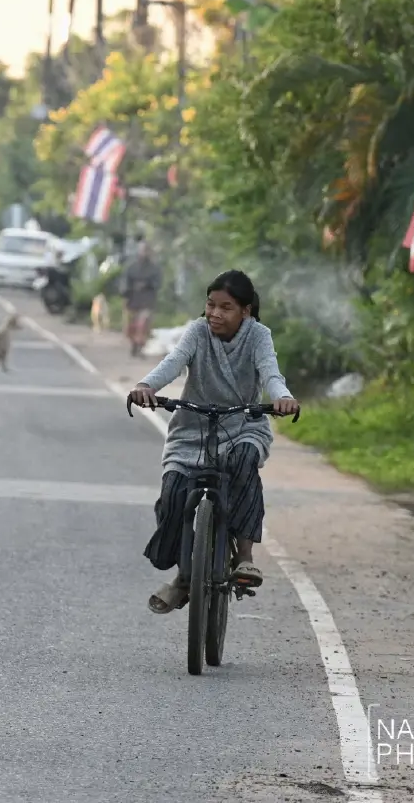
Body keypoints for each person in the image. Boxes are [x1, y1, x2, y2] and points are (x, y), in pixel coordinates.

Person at [128, 270, 300, 615]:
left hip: (242, 425)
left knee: (243, 464)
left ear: (245, 311)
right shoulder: (197, 332)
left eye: (226, 307)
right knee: (174, 493)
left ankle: (246, 558)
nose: (215, 314)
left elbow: (270, 372)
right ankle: (184, 577)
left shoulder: (258, 336)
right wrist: (147, 385)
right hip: (192, 428)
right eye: (211, 305)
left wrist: (283, 397)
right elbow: (173, 363)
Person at [119, 240, 162, 357]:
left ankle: (140, 346)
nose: (143, 253)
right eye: (141, 250)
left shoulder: (154, 268)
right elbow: (125, 282)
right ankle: (134, 344)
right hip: (133, 299)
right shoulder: (131, 267)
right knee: (131, 326)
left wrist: (147, 285)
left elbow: (157, 283)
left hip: (147, 299)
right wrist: (125, 293)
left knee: (142, 324)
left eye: (145, 250)